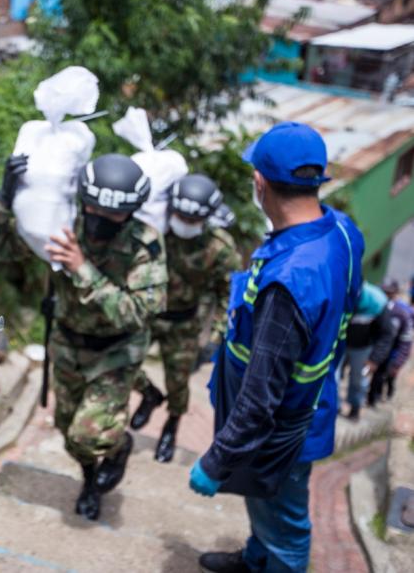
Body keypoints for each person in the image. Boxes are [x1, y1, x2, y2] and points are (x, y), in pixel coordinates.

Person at [190, 122, 364, 573]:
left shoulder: (289, 284)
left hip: (280, 429)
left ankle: (272, 560)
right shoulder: (342, 231)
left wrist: (215, 460)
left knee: (286, 524)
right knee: (267, 505)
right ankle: (255, 558)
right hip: (309, 402)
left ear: (259, 182)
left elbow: (260, 396)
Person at [0, 153, 168, 520]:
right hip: (67, 344)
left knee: (90, 434)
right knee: (69, 432)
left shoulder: (145, 244)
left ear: (129, 213)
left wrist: (83, 270)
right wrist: (5, 200)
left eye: (112, 216)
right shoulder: (61, 224)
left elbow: (139, 312)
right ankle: (90, 476)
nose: (100, 222)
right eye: (93, 210)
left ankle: (117, 445)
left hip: (116, 350)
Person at [129, 175, 241, 463]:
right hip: (147, 315)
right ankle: (149, 394)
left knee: (177, 383)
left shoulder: (219, 248)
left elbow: (229, 295)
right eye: (180, 216)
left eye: (192, 220)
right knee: (120, 361)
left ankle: (171, 427)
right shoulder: (155, 228)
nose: (184, 223)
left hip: (184, 323)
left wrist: (214, 338)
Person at [344, 282, 393, 420]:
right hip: (341, 343)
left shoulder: (377, 301)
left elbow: (387, 334)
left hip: (363, 347)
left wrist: (374, 359)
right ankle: (331, 408)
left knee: (358, 379)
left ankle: (355, 408)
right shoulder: (343, 292)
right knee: (332, 376)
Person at [367, 279, 412, 406]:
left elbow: (406, 341)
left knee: (382, 376)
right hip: (374, 348)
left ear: (395, 293)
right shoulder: (375, 306)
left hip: (391, 353)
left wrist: (398, 362)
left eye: (388, 292)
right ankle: (369, 397)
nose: (385, 295)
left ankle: (376, 398)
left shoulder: (402, 313)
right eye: (383, 291)